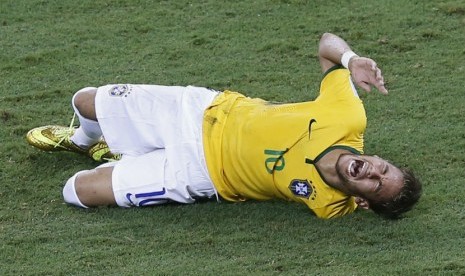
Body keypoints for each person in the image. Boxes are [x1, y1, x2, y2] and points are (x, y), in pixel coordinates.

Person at [26, 33, 422, 219]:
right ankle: (83, 141)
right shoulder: (347, 117)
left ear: (363, 202)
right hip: (202, 112)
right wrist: (352, 60)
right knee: (86, 101)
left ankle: (118, 155)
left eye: (375, 184)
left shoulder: (332, 205)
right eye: (383, 167)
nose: (372, 170)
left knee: (75, 191)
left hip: (200, 174)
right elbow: (326, 44)